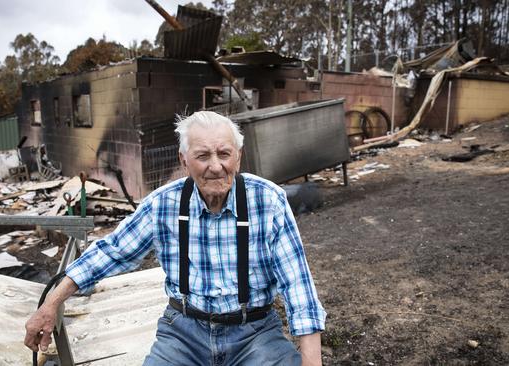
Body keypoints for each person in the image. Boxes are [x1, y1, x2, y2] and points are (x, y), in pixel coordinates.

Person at [24, 111, 326, 365]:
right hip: (183, 333)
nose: (215, 166)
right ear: (184, 160)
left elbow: (298, 287)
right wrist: (51, 303)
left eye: (224, 153)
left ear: (238, 156)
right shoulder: (163, 204)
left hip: (255, 333)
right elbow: (111, 253)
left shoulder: (268, 201)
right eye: (202, 156)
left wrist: (312, 362)